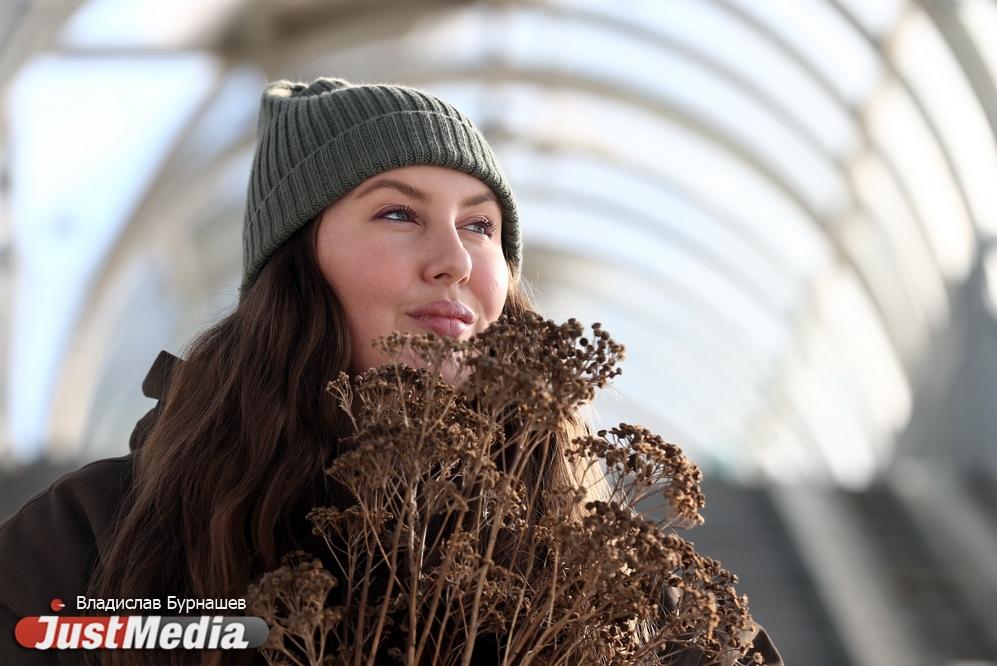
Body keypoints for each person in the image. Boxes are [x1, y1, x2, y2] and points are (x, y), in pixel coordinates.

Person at [0, 77, 782, 666]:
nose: (455, 261)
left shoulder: (613, 587)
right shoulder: (93, 538)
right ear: (296, 266)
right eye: (398, 214)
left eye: (481, 225)